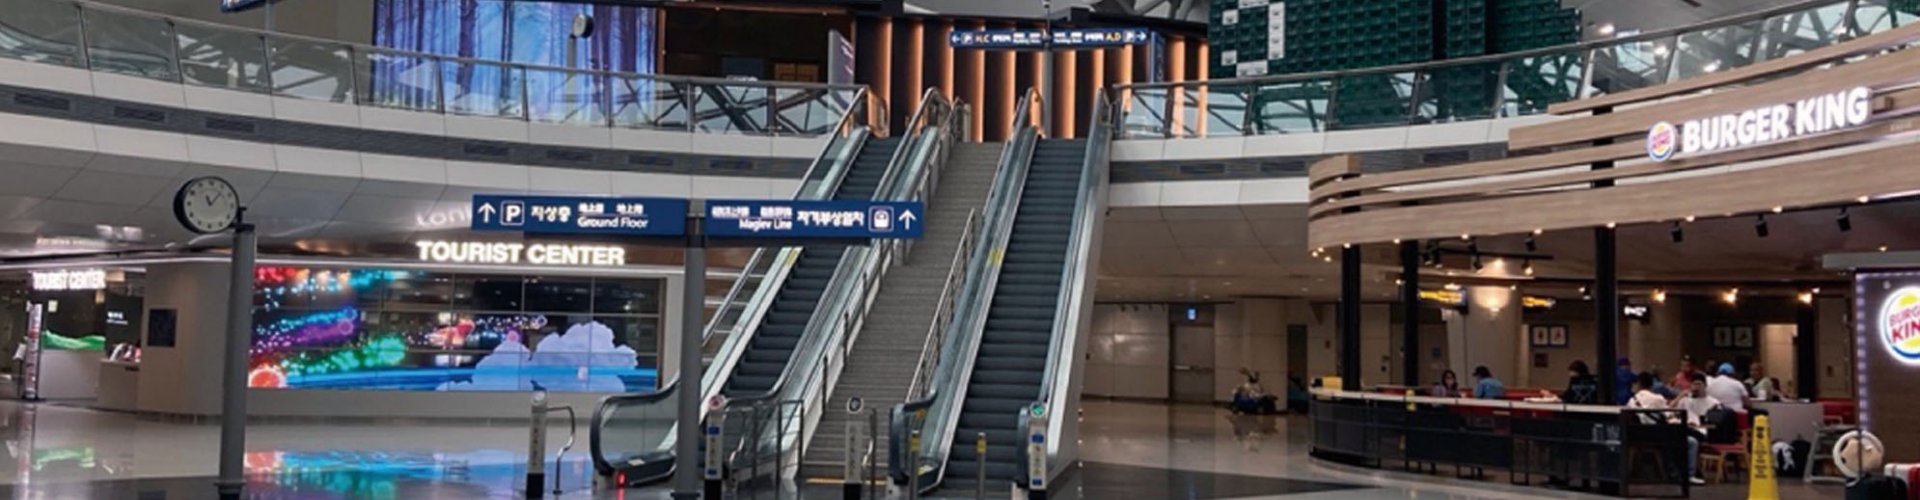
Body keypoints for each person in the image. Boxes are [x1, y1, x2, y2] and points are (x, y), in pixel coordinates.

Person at [1672, 372, 1721, 485]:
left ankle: (1689, 473)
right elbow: (1671, 412)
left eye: (1699, 384)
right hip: (1685, 429)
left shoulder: (1713, 403)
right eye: (1694, 384)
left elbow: (1715, 423)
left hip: (1701, 431)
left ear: (1705, 386)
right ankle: (1679, 473)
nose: (1696, 387)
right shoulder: (1686, 400)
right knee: (1682, 440)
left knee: (1689, 437)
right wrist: (1679, 397)